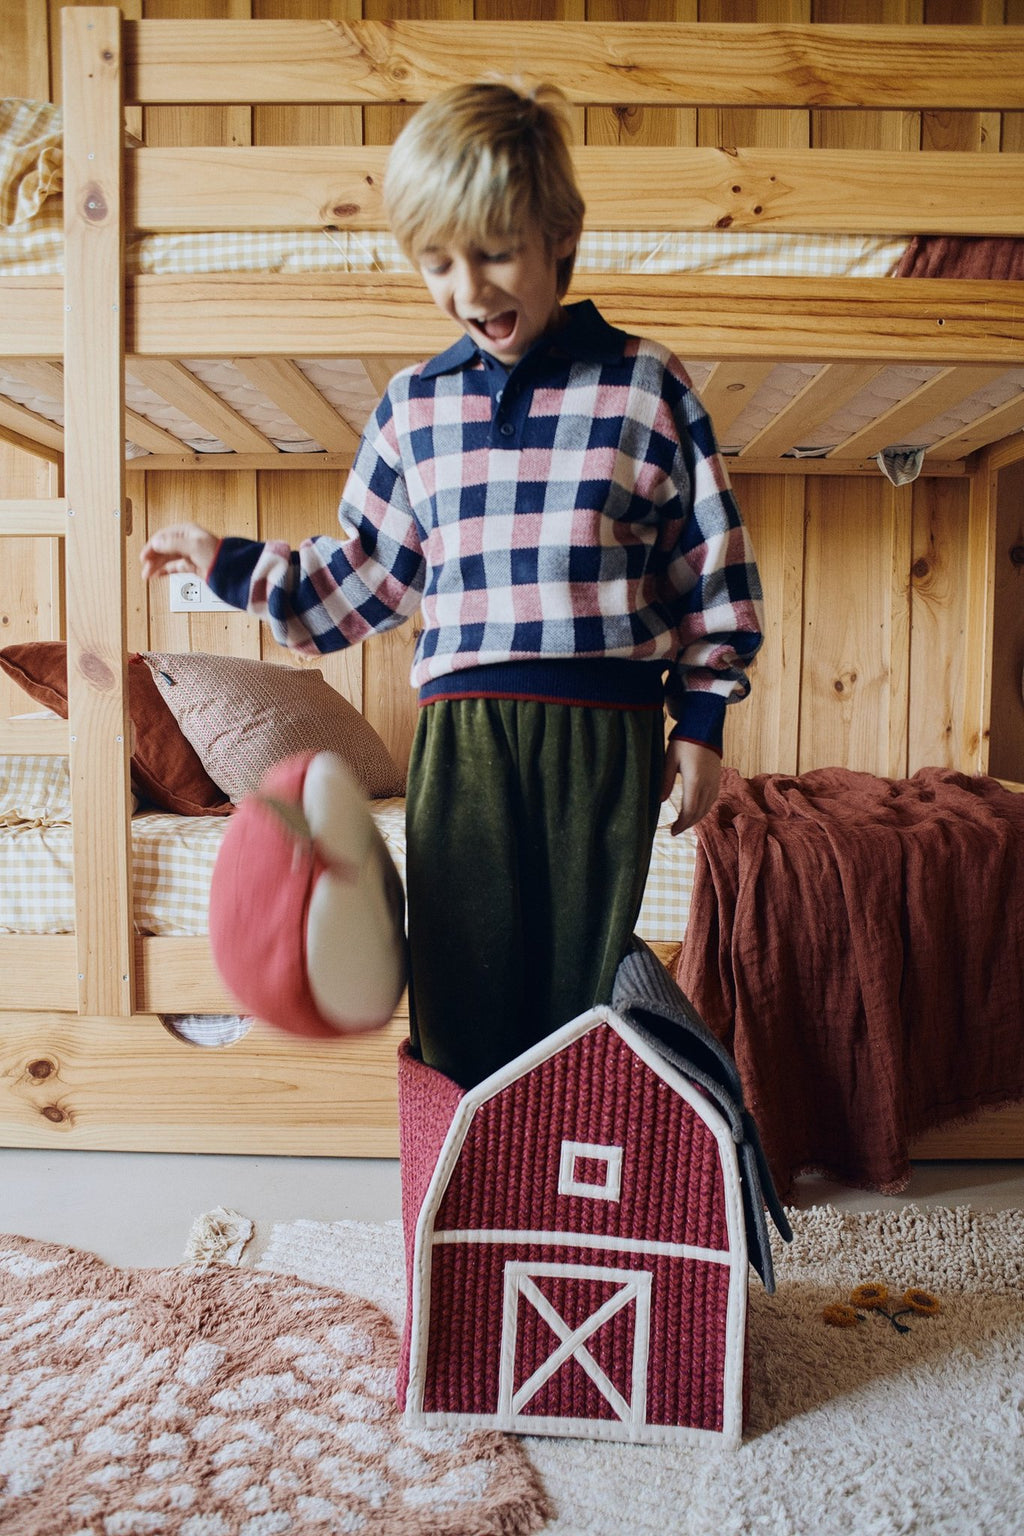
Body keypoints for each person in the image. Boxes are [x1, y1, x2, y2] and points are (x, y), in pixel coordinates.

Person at [140, 79, 764, 1089]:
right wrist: (233, 566)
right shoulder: (413, 409)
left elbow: (714, 573)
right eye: (437, 263)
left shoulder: (646, 383)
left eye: (494, 253)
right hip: (464, 741)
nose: (469, 288)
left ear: (558, 237)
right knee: (462, 986)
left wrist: (698, 726)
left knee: (583, 992)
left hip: (601, 740)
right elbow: (363, 581)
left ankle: (572, 1201)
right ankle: (462, 1210)